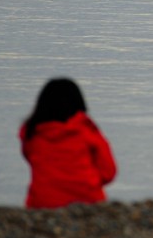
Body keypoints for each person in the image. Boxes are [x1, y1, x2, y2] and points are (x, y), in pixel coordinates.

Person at [19, 78, 117, 208]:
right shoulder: (87, 130)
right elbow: (108, 172)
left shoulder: (32, 134)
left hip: (42, 203)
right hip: (89, 200)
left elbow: (29, 157)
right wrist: (89, 180)